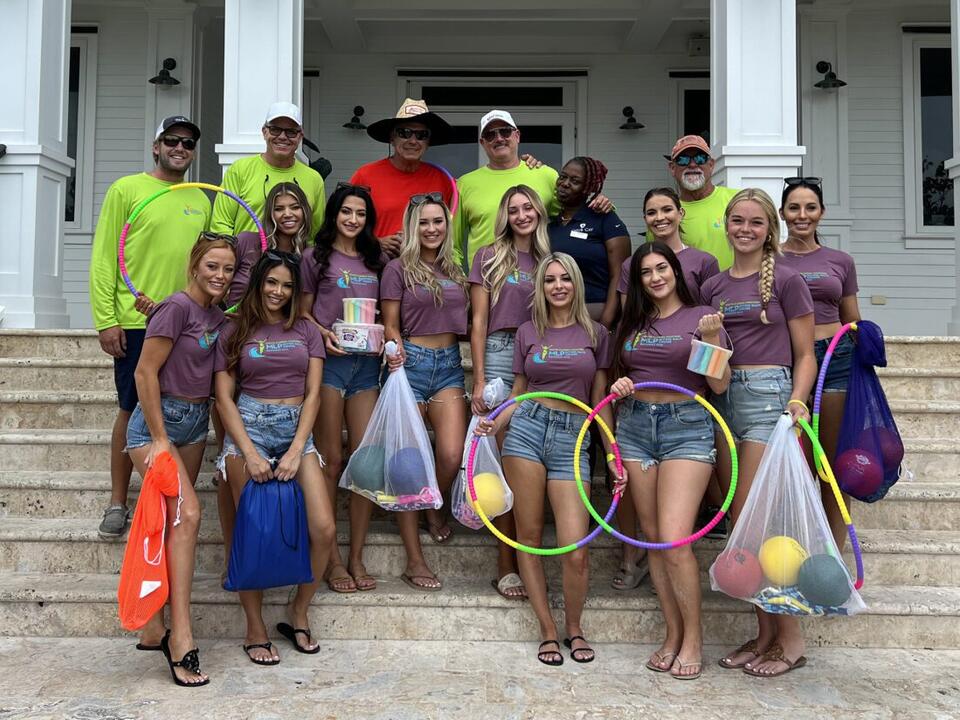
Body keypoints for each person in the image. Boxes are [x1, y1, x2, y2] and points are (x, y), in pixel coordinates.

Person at [475, 252, 617, 667]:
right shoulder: (526, 331)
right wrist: (494, 423)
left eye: (565, 279)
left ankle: (575, 627)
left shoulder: (596, 332)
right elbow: (519, 393)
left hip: (574, 437)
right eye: (550, 279)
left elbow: (599, 399)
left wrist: (611, 452)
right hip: (527, 432)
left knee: (575, 547)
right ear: (541, 287)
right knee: (530, 538)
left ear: (575, 284)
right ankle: (548, 630)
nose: (558, 286)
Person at [699, 188, 816, 678]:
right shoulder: (713, 287)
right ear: (725, 225)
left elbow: (806, 353)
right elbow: (708, 362)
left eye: (755, 222)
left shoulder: (788, 280)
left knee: (761, 524)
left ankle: (791, 639)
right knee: (740, 525)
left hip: (769, 397)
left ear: (770, 228)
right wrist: (705, 341)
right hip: (723, 398)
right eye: (737, 221)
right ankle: (764, 634)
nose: (745, 229)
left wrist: (797, 401)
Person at [609, 242, 729, 680]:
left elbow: (718, 385)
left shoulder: (700, 318)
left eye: (662, 268)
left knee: (677, 540)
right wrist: (623, 385)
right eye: (646, 272)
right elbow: (623, 373)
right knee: (656, 538)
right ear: (638, 281)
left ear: (676, 271)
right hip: (635, 428)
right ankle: (673, 633)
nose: (656, 277)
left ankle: (694, 639)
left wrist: (713, 339)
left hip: (687, 426)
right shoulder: (633, 324)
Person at [89, 115, 209, 539]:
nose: (180, 148)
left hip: (186, 323)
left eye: (189, 143)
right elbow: (105, 257)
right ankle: (118, 502)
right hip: (137, 321)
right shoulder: (127, 189)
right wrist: (107, 319)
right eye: (172, 141)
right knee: (130, 408)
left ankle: (166, 497)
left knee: (178, 405)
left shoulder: (200, 197)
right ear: (156, 146)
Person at [124, 233, 236, 686]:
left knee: (170, 521)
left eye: (228, 269)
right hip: (158, 425)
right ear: (194, 264)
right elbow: (144, 371)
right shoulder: (175, 308)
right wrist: (159, 438)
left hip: (193, 424)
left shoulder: (216, 316)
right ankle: (181, 637)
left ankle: (152, 624)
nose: (220, 275)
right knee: (189, 514)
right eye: (212, 266)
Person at [215, 251, 335, 664]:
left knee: (323, 529)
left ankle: (298, 610)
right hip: (248, 426)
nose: (278, 292)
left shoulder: (306, 329)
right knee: (252, 533)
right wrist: (247, 452)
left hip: (296, 430)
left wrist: (298, 448)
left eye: (286, 286)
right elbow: (223, 397)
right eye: (271, 283)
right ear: (258, 283)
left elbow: (315, 393)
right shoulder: (235, 330)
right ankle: (254, 627)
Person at [382, 193, 470, 589]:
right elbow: (391, 324)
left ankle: (433, 503)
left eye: (438, 221)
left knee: (451, 453)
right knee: (408, 463)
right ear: (411, 227)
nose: (432, 228)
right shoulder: (398, 269)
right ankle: (414, 558)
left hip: (450, 365)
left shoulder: (456, 267)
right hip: (411, 364)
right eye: (424, 222)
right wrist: (394, 351)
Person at [301, 184, 385, 593]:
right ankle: (332, 557)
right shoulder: (314, 258)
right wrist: (323, 334)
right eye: (346, 212)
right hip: (329, 366)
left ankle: (357, 556)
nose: (353, 220)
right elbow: (301, 315)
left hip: (366, 368)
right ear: (334, 214)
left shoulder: (377, 259)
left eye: (361, 214)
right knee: (331, 459)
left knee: (364, 463)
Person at [468, 185, 551, 600]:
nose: (522, 215)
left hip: (541, 358)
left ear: (539, 212)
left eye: (528, 207)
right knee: (502, 466)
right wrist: (479, 378)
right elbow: (478, 321)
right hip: (501, 355)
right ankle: (507, 564)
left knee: (526, 461)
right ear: (505, 215)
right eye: (514, 209)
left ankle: (528, 557)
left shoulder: (549, 260)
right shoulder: (489, 256)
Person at [778, 177, 861, 548]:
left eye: (810, 207)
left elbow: (852, 320)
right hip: (787, 361)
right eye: (794, 207)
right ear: (782, 213)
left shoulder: (840, 261)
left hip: (835, 358)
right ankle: (800, 547)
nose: (802, 215)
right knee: (799, 463)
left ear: (822, 213)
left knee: (830, 462)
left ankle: (832, 553)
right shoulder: (770, 259)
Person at [350, 99, 455, 257]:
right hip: (376, 266)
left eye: (421, 135)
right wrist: (376, 242)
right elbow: (346, 224)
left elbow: (449, 229)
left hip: (425, 268)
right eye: (404, 133)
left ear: (428, 142)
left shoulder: (443, 179)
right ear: (392, 138)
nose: (413, 141)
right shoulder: (365, 175)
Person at [211, 102, 325, 239]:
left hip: (294, 259)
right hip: (246, 258)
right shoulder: (240, 170)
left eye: (291, 132)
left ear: (300, 137)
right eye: (275, 130)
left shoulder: (313, 178)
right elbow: (221, 224)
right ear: (264, 132)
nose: (283, 136)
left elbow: (315, 233)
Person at [548, 157, 630, 330]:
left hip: (596, 318)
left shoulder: (605, 219)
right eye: (563, 177)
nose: (565, 184)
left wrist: (606, 322)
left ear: (588, 188)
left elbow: (620, 275)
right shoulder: (551, 225)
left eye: (575, 181)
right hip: (556, 320)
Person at [620, 188, 719, 304]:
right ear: (645, 219)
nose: (660, 218)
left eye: (667, 210)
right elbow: (629, 315)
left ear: (680, 213)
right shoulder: (631, 264)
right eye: (651, 213)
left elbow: (712, 313)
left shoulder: (704, 262)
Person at [226, 181, 314, 306]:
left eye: (295, 207)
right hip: (235, 323)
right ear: (270, 214)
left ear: (305, 211)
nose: (288, 214)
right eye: (279, 209)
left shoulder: (310, 257)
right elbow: (218, 283)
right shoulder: (246, 242)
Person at [661, 135, 740, 270]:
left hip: (734, 289)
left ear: (711, 165)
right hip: (687, 290)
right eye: (683, 159)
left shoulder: (738, 200)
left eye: (700, 158)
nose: (692, 164)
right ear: (672, 168)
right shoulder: (664, 215)